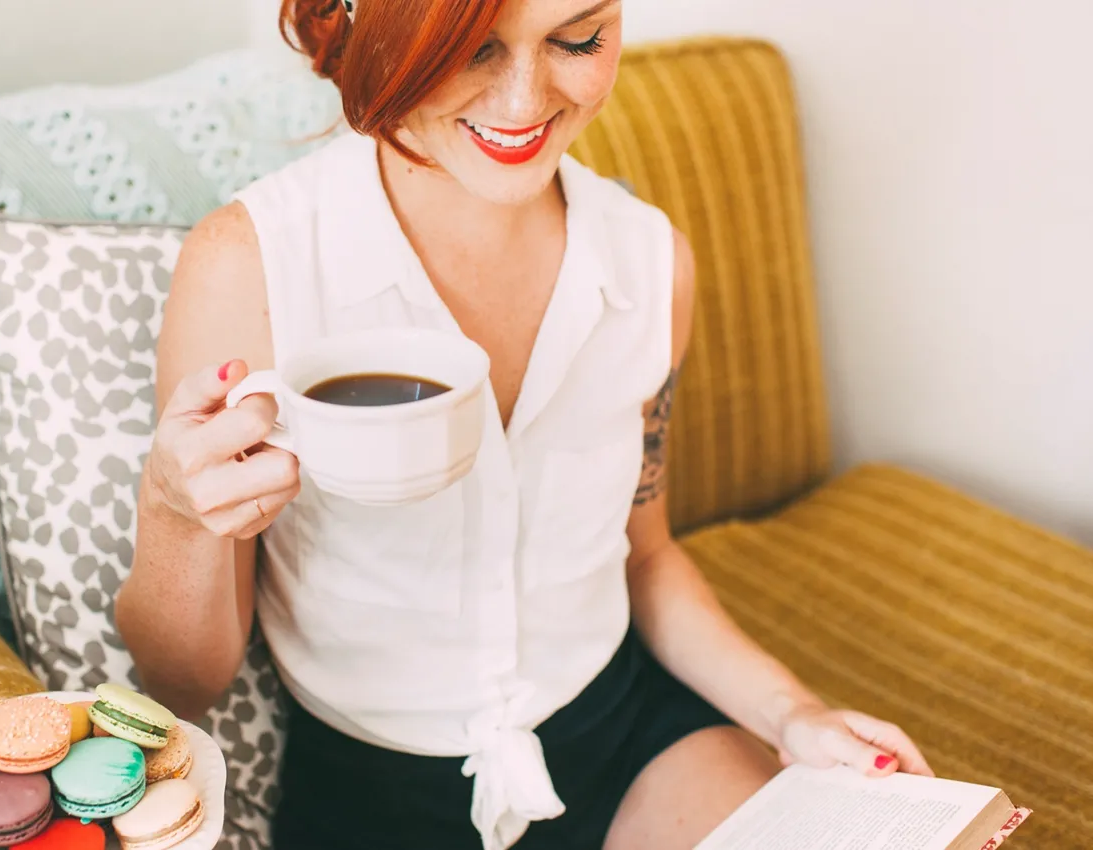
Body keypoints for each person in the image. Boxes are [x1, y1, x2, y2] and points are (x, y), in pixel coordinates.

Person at [116, 1, 934, 847]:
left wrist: (793, 714)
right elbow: (182, 684)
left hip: (631, 741)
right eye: (470, 48)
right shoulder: (249, 265)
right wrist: (174, 510)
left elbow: (647, 558)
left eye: (577, 39)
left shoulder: (650, 262)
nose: (522, 102)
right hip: (370, 793)